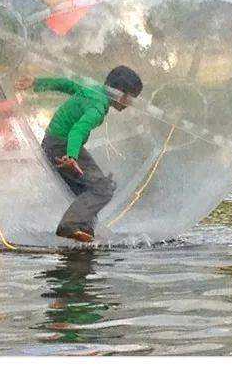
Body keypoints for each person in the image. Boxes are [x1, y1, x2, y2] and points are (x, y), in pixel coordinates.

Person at [15, 66, 143, 243]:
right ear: (120, 94)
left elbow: (65, 83)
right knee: (103, 188)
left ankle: (85, 229)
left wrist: (36, 82)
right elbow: (77, 130)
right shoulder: (98, 108)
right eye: (131, 99)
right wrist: (71, 156)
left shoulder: (92, 88)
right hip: (62, 148)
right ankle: (72, 224)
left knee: (92, 187)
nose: (130, 104)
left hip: (53, 144)